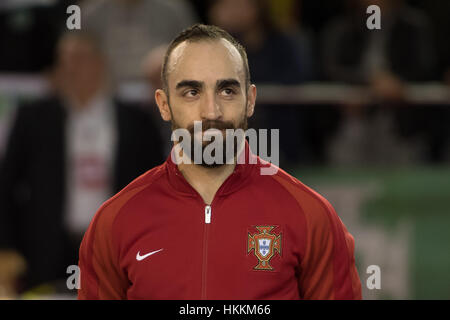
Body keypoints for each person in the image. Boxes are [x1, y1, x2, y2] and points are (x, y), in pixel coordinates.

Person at [78, 24, 361, 300]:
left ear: (250, 100)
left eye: (227, 91)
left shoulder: (311, 215)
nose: (211, 111)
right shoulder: (114, 221)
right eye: (192, 92)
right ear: (163, 104)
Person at [0, 31, 164, 295]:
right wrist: (6, 247)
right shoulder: (33, 118)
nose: (70, 68)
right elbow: (6, 185)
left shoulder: (136, 122)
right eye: (63, 60)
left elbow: (156, 190)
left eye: (79, 59)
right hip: (47, 249)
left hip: (115, 250)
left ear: (100, 63)